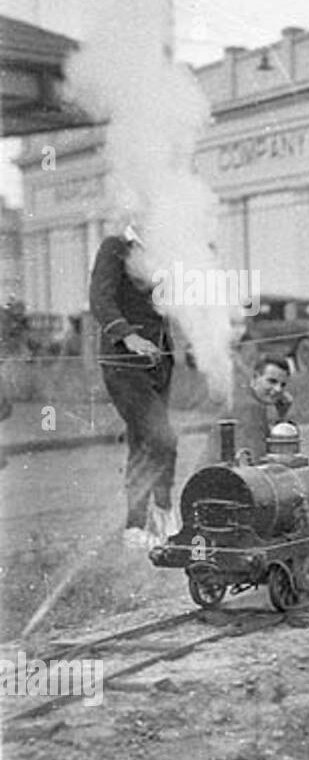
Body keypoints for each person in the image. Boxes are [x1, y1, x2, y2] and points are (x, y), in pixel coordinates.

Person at [89, 221, 179, 548]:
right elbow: (100, 298)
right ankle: (161, 513)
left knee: (143, 441)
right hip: (125, 365)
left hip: (159, 364)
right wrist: (127, 335)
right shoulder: (115, 247)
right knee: (162, 438)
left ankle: (137, 526)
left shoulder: (159, 255)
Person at [207, 355, 293, 463]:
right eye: (272, 381)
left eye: (283, 385)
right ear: (255, 377)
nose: (278, 389)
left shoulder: (245, 397)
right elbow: (257, 461)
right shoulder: (251, 408)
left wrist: (281, 415)